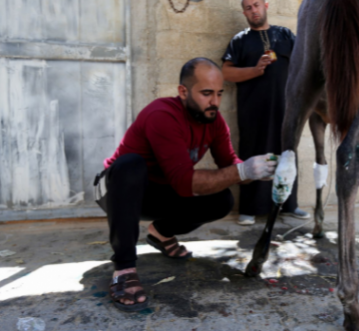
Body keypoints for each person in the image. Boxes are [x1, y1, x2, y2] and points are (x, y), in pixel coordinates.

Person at [94, 58, 277, 312]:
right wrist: (242, 171)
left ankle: (161, 232)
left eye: (219, 93)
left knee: (222, 199)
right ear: (183, 92)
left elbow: (229, 164)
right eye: (206, 93)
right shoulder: (162, 115)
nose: (215, 101)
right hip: (115, 190)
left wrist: (260, 171)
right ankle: (124, 269)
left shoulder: (214, 121)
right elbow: (184, 183)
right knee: (130, 165)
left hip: (158, 192)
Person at [221, 0, 310, 225]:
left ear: (266, 6)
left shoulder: (285, 35)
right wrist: (255, 70)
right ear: (244, 13)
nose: (254, 10)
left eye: (257, 5)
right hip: (253, 111)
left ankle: (289, 205)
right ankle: (250, 209)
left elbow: (304, 61)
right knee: (253, 153)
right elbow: (226, 73)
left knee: (287, 152)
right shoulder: (240, 40)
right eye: (249, 7)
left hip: (286, 107)